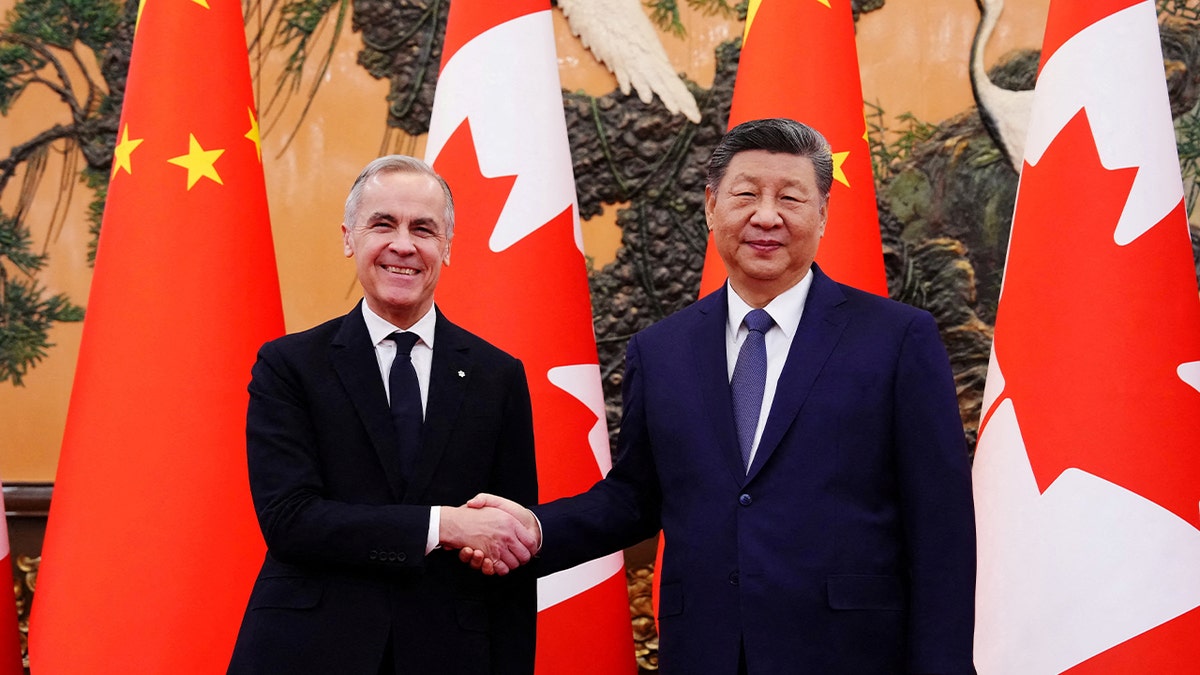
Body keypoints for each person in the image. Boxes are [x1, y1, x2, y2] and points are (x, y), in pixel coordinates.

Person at [465, 118, 977, 674]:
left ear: (824, 214)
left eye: (790, 197)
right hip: (707, 651)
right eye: (746, 195)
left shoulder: (898, 339)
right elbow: (636, 497)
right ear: (711, 207)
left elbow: (941, 527)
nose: (766, 215)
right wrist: (532, 530)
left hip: (849, 652)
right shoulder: (660, 351)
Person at [228, 155, 539, 675]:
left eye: (423, 228)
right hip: (310, 652)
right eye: (383, 224)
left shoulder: (497, 375)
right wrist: (443, 525)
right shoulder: (289, 366)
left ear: (447, 247)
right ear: (350, 237)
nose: (403, 245)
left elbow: (507, 549)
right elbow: (290, 520)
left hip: (449, 655)